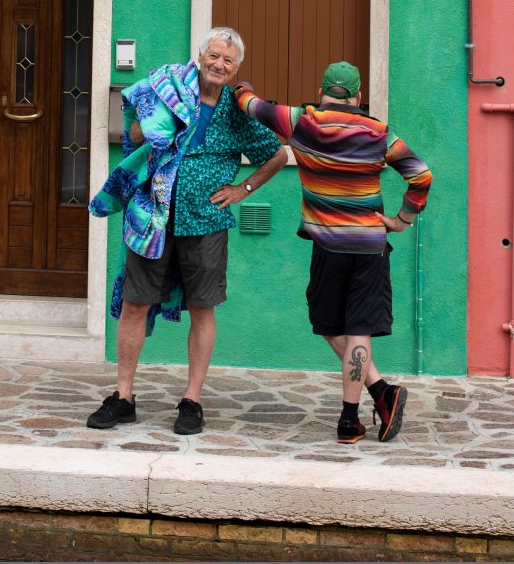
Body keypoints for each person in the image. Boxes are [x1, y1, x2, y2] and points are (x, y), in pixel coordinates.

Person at [87, 27, 288, 435]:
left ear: (236, 69)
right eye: (214, 56)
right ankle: (123, 397)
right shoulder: (169, 91)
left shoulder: (237, 110)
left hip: (205, 221)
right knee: (135, 304)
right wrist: (156, 124)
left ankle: (191, 400)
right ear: (200, 57)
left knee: (202, 306)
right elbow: (136, 133)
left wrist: (242, 189)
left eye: (228, 61)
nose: (219, 64)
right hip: (153, 217)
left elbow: (278, 154)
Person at [234, 61, 432, 445]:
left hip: (327, 244)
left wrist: (241, 86)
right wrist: (403, 219)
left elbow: (250, 104)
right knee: (356, 327)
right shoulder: (379, 132)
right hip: (369, 246)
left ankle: (365, 407)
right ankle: (360, 411)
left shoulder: (301, 122)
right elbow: (421, 174)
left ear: (322, 89)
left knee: (328, 322)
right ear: (358, 96)